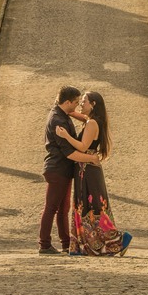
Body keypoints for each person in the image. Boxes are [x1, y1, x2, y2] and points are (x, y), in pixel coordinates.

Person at [54, 90, 132, 256]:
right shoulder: (92, 120)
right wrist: (63, 108)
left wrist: (66, 135)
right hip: (86, 168)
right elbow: (78, 115)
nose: (81, 104)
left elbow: (82, 147)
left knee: (91, 206)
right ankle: (83, 244)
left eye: (84, 101)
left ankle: (117, 240)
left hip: (87, 169)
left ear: (94, 104)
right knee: (86, 205)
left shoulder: (92, 124)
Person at [39, 86, 100, 255]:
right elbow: (69, 152)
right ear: (67, 102)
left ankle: (66, 243)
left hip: (62, 171)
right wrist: (92, 158)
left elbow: (86, 118)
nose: (77, 105)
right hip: (57, 169)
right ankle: (44, 244)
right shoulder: (58, 120)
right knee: (51, 207)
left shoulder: (62, 113)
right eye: (75, 102)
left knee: (62, 208)